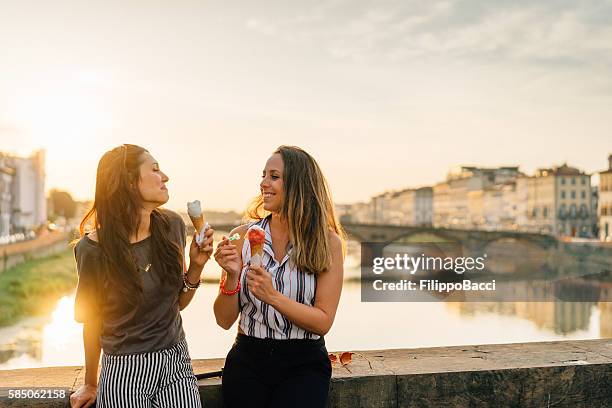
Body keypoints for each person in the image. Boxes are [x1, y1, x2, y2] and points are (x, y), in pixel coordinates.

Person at [70, 144, 214, 408]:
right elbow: (92, 321)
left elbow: (177, 304)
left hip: (176, 362)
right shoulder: (92, 250)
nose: (165, 177)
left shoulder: (172, 226)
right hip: (124, 369)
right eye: (156, 169)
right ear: (128, 181)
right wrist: (91, 383)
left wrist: (196, 266)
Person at [213, 145, 345, 408]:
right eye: (263, 175)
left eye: (274, 176)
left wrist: (272, 296)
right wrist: (231, 276)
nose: (263, 183)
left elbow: (323, 322)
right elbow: (223, 320)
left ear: (298, 185)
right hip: (248, 359)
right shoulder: (242, 237)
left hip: (304, 364)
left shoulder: (327, 242)